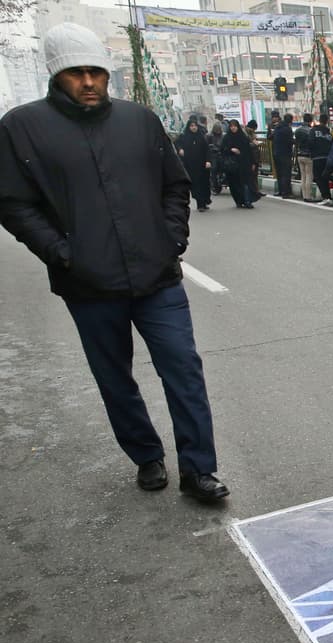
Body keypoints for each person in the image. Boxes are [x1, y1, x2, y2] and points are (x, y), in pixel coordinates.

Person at [0, 23, 229, 503]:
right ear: (55, 75)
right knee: (115, 378)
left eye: (96, 72)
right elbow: (14, 204)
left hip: (158, 277)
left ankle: (199, 469)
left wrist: (172, 240)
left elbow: (175, 184)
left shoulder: (139, 120)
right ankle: (147, 455)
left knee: (183, 369)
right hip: (88, 285)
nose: (88, 82)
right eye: (76, 73)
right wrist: (63, 254)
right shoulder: (21, 128)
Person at [176, 115, 212, 212]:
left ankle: (204, 202)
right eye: (191, 126)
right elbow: (177, 143)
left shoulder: (201, 137)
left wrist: (208, 161)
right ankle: (200, 204)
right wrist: (180, 149)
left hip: (202, 165)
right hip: (191, 166)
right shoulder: (184, 137)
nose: (193, 127)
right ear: (189, 127)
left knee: (204, 184)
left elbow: (207, 150)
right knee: (196, 185)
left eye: (195, 125)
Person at [219, 118, 255, 209]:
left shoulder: (243, 137)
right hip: (231, 165)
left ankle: (247, 201)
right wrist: (231, 150)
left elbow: (249, 151)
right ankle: (239, 201)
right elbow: (222, 150)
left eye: (235, 126)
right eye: (231, 126)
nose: (233, 128)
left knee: (245, 183)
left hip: (243, 163)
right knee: (234, 184)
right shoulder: (226, 138)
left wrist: (253, 162)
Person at [308, 111, 333, 203]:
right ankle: (327, 196)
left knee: (318, 177)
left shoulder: (313, 131)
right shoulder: (328, 132)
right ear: (326, 121)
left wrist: (313, 152)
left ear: (319, 120)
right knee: (325, 177)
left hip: (317, 157)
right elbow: (332, 143)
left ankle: (326, 196)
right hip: (327, 158)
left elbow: (310, 142)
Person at [272, 112, 295, 198]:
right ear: (291, 121)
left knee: (279, 173)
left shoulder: (277, 127)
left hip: (276, 153)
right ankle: (286, 193)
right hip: (285, 154)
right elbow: (290, 141)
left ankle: (281, 191)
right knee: (286, 173)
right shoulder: (287, 129)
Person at [295, 112, 315, 202]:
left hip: (299, 154)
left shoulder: (297, 130)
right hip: (308, 155)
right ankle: (308, 196)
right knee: (309, 176)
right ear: (311, 121)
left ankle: (304, 195)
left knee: (303, 176)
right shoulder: (311, 131)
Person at [245, 119, 263, 201]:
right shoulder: (245, 133)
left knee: (255, 175)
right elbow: (246, 145)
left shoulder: (251, 133)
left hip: (255, 157)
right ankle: (252, 193)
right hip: (250, 157)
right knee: (251, 176)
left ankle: (256, 191)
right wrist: (253, 143)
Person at [207, 121, 224, 195]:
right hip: (213, 155)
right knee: (213, 170)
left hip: (220, 155)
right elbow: (206, 146)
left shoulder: (223, 136)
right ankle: (214, 186)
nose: (218, 131)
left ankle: (218, 183)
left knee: (221, 170)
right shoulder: (209, 136)